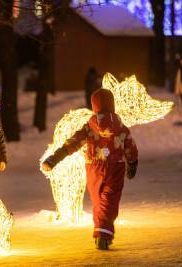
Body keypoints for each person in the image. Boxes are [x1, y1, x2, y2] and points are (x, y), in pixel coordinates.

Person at [41, 88, 138, 250]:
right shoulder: (120, 126)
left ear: (94, 106)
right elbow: (130, 145)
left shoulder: (89, 127)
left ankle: (101, 233)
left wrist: (55, 158)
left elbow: (73, 142)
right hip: (116, 166)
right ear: (112, 104)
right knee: (110, 201)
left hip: (94, 167)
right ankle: (103, 234)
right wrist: (132, 162)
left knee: (98, 202)